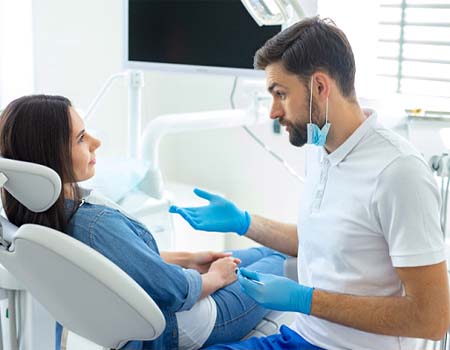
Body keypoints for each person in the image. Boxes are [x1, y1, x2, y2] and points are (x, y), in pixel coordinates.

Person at [169, 17, 450, 350]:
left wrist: (305, 300)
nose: (273, 111)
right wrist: (244, 221)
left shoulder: (399, 173)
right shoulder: (322, 148)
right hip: (300, 337)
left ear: (319, 87)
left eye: (281, 94)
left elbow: (431, 319)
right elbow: (328, 243)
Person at [0, 94, 287, 350]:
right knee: (280, 259)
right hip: (187, 325)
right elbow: (173, 291)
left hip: (159, 318)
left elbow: (116, 266)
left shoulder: (36, 218)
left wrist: (189, 258)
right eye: (81, 138)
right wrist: (214, 278)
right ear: (49, 155)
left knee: (262, 253)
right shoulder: (94, 224)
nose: (96, 142)